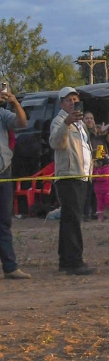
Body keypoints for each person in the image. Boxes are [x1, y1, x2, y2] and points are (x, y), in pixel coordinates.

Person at [49, 87, 96, 275]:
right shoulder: (60, 120)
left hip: (81, 175)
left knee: (70, 219)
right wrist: (66, 124)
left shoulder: (80, 124)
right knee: (73, 219)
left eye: (75, 99)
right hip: (69, 175)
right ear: (61, 103)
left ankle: (66, 260)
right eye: (68, 100)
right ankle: (75, 262)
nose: (72, 102)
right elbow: (56, 143)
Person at [0, 87, 30, 279]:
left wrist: (15, 102)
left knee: (4, 222)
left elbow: (22, 122)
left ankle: (10, 267)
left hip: (3, 172)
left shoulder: (2, 114)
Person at [87, 113, 109, 221]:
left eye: (91, 118)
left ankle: (97, 212)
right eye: (87, 118)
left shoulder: (98, 130)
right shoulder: (84, 132)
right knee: (90, 190)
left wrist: (104, 132)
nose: (89, 120)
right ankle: (88, 213)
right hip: (90, 163)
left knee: (101, 190)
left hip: (103, 163)